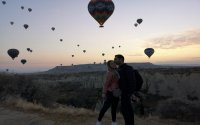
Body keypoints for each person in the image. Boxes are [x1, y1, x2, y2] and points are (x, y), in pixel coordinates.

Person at [114, 54, 140, 125]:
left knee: (125, 110)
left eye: (115, 59)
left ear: (121, 60)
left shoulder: (127, 68)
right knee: (128, 109)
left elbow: (132, 81)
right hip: (124, 92)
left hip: (126, 93)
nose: (114, 60)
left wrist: (130, 93)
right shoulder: (120, 69)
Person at [96, 60, 120, 125]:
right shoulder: (110, 73)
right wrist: (104, 93)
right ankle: (98, 121)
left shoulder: (116, 72)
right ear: (109, 65)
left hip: (116, 92)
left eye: (114, 63)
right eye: (111, 64)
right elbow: (106, 84)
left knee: (114, 108)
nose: (114, 64)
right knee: (105, 107)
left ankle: (114, 122)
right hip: (111, 92)